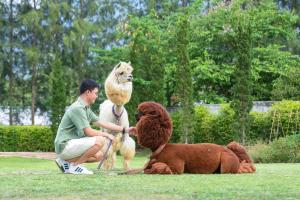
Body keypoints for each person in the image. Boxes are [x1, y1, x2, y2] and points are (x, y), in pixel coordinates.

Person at [54, 79, 134, 175]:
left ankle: (66, 162)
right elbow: (89, 132)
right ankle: (75, 166)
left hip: (70, 145)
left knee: (100, 155)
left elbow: (103, 123)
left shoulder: (85, 108)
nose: (97, 96)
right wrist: (106, 135)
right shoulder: (78, 108)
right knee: (100, 140)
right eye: (95, 93)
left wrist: (125, 129)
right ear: (88, 92)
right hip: (65, 145)